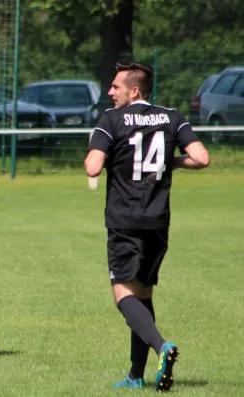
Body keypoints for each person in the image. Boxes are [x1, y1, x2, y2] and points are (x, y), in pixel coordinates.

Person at [84, 61, 210, 391]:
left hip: (125, 221)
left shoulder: (111, 120)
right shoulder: (172, 117)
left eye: (115, 87)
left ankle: (162, 346)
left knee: (123, 295)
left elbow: (93, 168)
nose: (110, 92)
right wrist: (171, 162)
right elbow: (201, 158)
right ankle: (136, 375)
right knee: (143, 295)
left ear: (133, 90)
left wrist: (99, 153)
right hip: (158, 221)